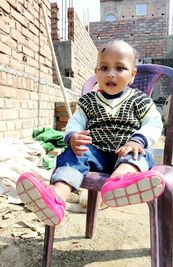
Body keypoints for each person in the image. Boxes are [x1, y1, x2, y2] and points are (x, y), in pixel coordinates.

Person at [16, 40, 165, 227]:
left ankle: (119, 184)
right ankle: (56, 197)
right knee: (74, 153)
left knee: (140, 155)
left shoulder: (139, 100)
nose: (111, 73)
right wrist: (73, 137)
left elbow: (154, 123)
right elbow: (75, 123)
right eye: (104, 67)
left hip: (126, 152)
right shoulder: (89, 101)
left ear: (133, 75)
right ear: (96, 72)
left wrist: (138, 140)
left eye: (120, 68)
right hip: (95, 155)